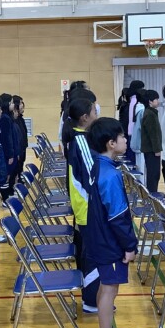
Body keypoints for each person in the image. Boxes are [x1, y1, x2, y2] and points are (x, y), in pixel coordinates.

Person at [85, 117, 139, 328]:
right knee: (109, 289)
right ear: (111, 143)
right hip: (110, 242)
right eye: (122, 136)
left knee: (105, 287)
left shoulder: (99, 165)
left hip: (99, 238)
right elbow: (118, 216)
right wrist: (129, 245)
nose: (126, 139)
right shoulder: (110, 175)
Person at [66, 97, 99, 312]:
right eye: (94, 111)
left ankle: (91, 296)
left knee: (87, 252)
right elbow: (91, 179)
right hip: (87, 207)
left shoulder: (80, 138)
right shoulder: (81, 141)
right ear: (85, 117)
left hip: (84, 206)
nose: (97, 114)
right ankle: (91, 300)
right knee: (92, 255)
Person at [139, 89, 162, 192]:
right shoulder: (150, 114)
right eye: (156, 99)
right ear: (150, 101)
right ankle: (152, 195)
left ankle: (152, 193)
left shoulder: (151, 113)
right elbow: (153, 134)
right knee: (153, 174)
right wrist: (157, 149)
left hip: (151, 149)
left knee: (154, 174)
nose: (158, 101)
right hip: (151, 150)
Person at [124, 80, 144, 166]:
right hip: (134, 130)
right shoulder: (136, 101)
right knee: (135, 157)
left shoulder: (131, 99)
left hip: (130, 130)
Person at [129, 89, 146, 181]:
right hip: (141, 143)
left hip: (137, 142)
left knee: (139, 167)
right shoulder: (142, 110)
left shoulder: (137, 107)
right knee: (142, 170)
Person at [12, 95, 29, 182]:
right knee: (17, 169)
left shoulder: (20, 119)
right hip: (18, 150)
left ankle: (20, 179)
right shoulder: (14, 120)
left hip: (22, 148)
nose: (22, 105)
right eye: (20, 103)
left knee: (21, 167)